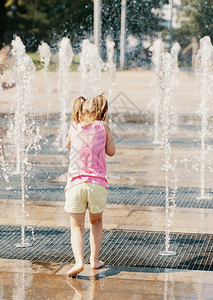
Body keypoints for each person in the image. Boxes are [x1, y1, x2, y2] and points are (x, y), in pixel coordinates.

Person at [64, 93, 116, 277]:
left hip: (75, 185)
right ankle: (94, 260)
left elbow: (68, 144)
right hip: (97, 185)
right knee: (96, 221)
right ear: (100, 111)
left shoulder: (74, 127)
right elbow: (111, 152)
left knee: (76, 226)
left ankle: (78, 261)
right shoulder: (104, 127)